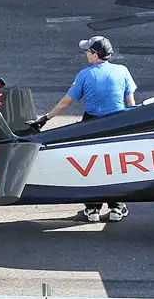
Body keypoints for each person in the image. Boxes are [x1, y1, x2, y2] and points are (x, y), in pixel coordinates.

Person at [29, 35, 137, 222]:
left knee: (92, 165)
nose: (86, 54)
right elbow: (131, 103)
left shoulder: (85, 75)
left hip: (91, 124)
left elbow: (65, 103)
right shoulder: (122, 71)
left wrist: (45, 119)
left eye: (87, 51)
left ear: (95, 54)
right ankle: (116, 208)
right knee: (116, 165)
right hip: (118, 123)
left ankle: (92, 209)